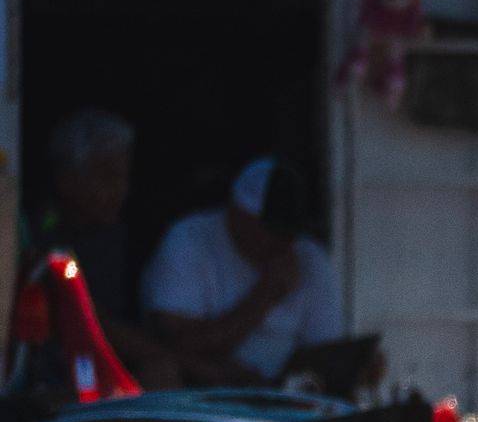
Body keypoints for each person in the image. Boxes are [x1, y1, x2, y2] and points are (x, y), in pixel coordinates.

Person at [141, 158, 340, 388]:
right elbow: (174, 343)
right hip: (202, 397)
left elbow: (324, 355)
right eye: (274, 231)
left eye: (291, 233)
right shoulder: (189, 240)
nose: (284, 244)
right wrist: (264, 296)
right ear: (239, 213)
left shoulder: (309, 258)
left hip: (285, 399)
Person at [32, 110, 174, 386]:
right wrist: (176, 357)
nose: (120, 189)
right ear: (67, 180)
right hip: (53, 378)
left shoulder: (117, 233)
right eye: (107, 177)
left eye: (124, 177)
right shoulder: (40, 232)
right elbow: (88, 316)